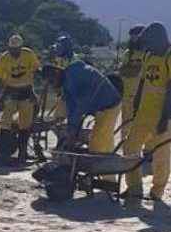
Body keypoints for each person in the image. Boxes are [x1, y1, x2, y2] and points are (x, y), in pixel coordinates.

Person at [41, 36, 122, 182]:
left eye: (53, 81)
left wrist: (73, 133)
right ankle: (106, 178)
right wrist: (72, 130)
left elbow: (80, 107)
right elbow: (72, 108)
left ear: (58, 73)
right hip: (98, 105)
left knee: (97, 143)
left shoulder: (74, 76)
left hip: (109, 104)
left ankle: (107, 180)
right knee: (102, 141)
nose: (53, 86)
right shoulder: (66, 81)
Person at [123, 22, 171, 205]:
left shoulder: (169, 56)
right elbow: (143, 82)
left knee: (161, 154)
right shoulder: (149, 56)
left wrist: (165, 117)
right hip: (144, 113)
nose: (147, 46)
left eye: (149, 42)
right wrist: (136, 106)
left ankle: (157, 191)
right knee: (130, 147)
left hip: (163, 115)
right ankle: (134, 188)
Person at [0, 34, 41, 165]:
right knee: (5, 122)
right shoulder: (4, 58)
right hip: (10, 92)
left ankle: (22, 154)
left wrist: (37, 86)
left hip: (26, 93)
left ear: (21, 48)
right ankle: (3, 153)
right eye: (12, 50)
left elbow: (36, 70)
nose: (14, 53)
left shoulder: (28, 55)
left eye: (17, 50)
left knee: (25, 125)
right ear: (9, 48)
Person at [120, 24, 147, 137]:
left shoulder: (149, 54)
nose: (133, 38)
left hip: (142, 92)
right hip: (127, 92)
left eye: (135, 36)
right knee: (126, 117)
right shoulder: (128, 53)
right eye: (132, 36)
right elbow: (122, 70)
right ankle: (124, 141)